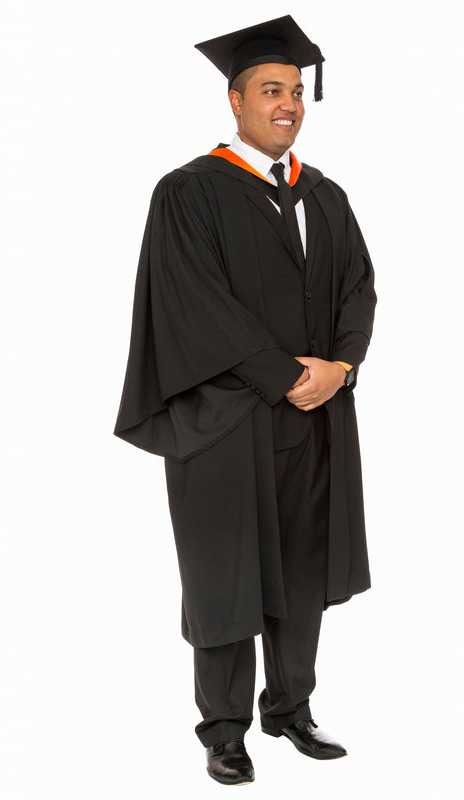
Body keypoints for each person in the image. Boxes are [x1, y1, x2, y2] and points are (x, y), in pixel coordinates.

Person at [114, 15, 377, 786]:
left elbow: (360, 289)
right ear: (235, 100)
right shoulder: (188, 193)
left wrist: (341, 366)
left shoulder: (324, 195)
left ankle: (290, 710)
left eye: (296, 91)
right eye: (271, 90)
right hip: (222, 425)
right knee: (225, 575)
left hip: (314, 425)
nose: (288, 103)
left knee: (301, 571)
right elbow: (194, 305)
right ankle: (223, 730)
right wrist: (285, 375)